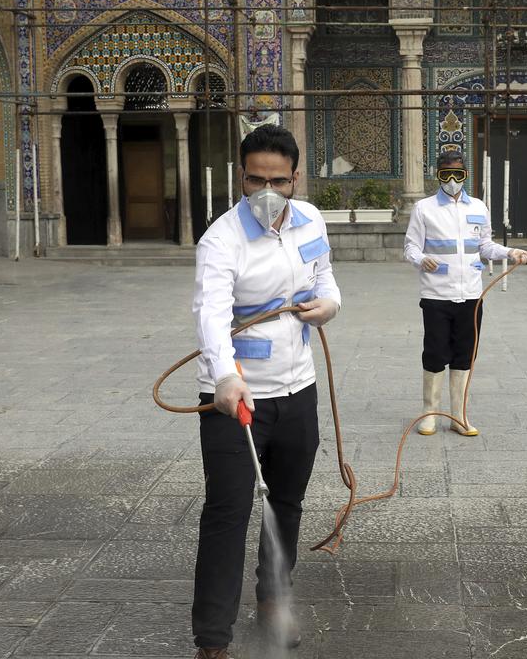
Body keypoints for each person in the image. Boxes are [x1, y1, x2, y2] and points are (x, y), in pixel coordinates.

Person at [191, 125, 341, 659]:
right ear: (241, 176)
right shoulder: (222, 239)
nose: (267, 192)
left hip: (298, 386)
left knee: (287, 504)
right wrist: (226, 376)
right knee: (228, 512)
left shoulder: (311, 221)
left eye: (278, 180)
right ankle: (212, 637)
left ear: (296, 178)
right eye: (256, 180)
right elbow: (209, 312)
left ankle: (274, 598)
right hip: (236, 398)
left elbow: (325, 277)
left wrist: (328, 305)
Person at [403, 150, 527, 436]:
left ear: (466, 176)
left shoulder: (479, 207)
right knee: (435, 353)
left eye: (457, 175)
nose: (452, 181)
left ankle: (459, 415)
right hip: (437, 295)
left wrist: (511, 252)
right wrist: (420, 258)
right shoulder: (424, 209)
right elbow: (411, 246)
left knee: (465, 354)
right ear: (437, 175)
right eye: (446, 174)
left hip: (471, 296)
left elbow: (485, 246)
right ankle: (430, 413)